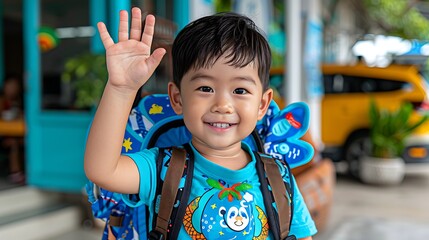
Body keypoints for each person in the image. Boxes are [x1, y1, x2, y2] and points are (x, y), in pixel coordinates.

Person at [84, 7, 317, 239]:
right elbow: (102, 170)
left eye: (240, 90)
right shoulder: (161, 168)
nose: (222, 104)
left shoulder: (279, 177)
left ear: (262, 105)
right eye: (205, 88)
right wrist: (121, 88)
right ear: (177, 99)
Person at [0, 75, 25, 184]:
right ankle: (15, 172)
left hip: (14, 132)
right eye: (10, 86)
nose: (13, 89)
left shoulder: (19, 100)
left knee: (26, 142)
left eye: (15, 86)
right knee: (13, 142)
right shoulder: (2, 100)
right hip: (3, 136)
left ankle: (28, 170)